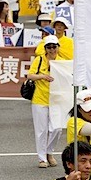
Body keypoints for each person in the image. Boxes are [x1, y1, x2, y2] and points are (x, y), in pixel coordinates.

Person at [27, 35, 63, 168]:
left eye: (54, 46)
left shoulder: (62, 62)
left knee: (57, 129)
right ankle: (42, 158)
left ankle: (49, 152)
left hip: (56, 100)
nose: (52, 49)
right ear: (45, 48)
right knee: (41, 130)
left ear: (58, 47)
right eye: (49, 47)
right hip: (40, 98)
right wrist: (42, 76)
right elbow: (30, 75)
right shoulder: (39, 60)